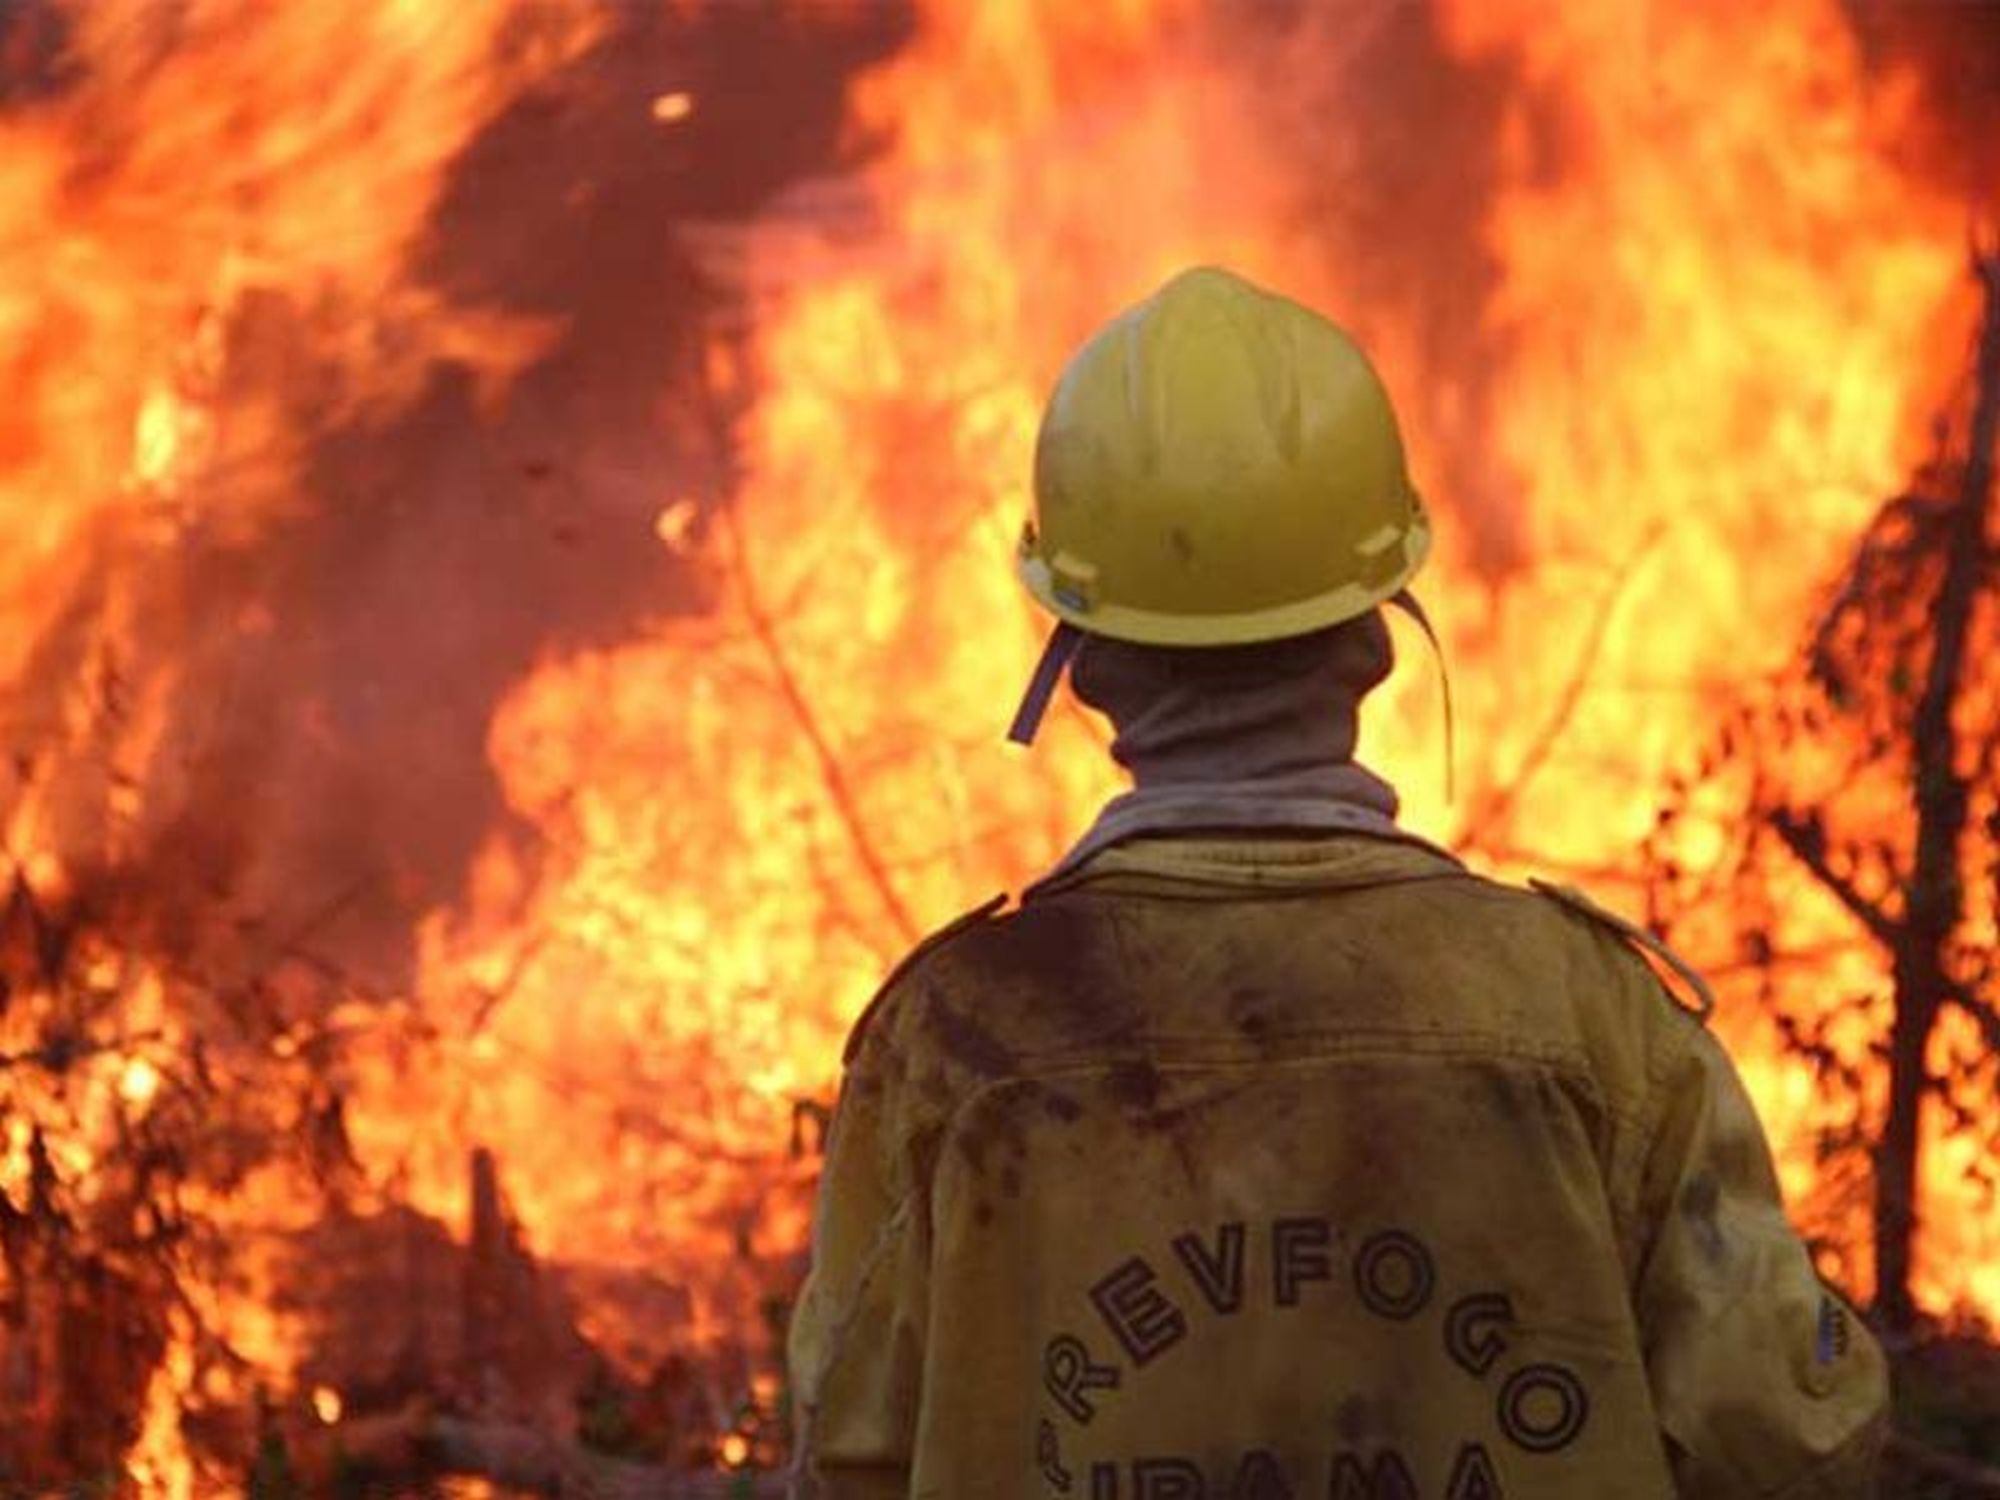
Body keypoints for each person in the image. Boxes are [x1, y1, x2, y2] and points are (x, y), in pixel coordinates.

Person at [786, 266, 1886, 1498]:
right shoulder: (1584, 1014)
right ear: (1372, 641)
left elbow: (851, 1458)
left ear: (1084, 666)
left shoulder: (957, 1034)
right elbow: (1787, 1435)